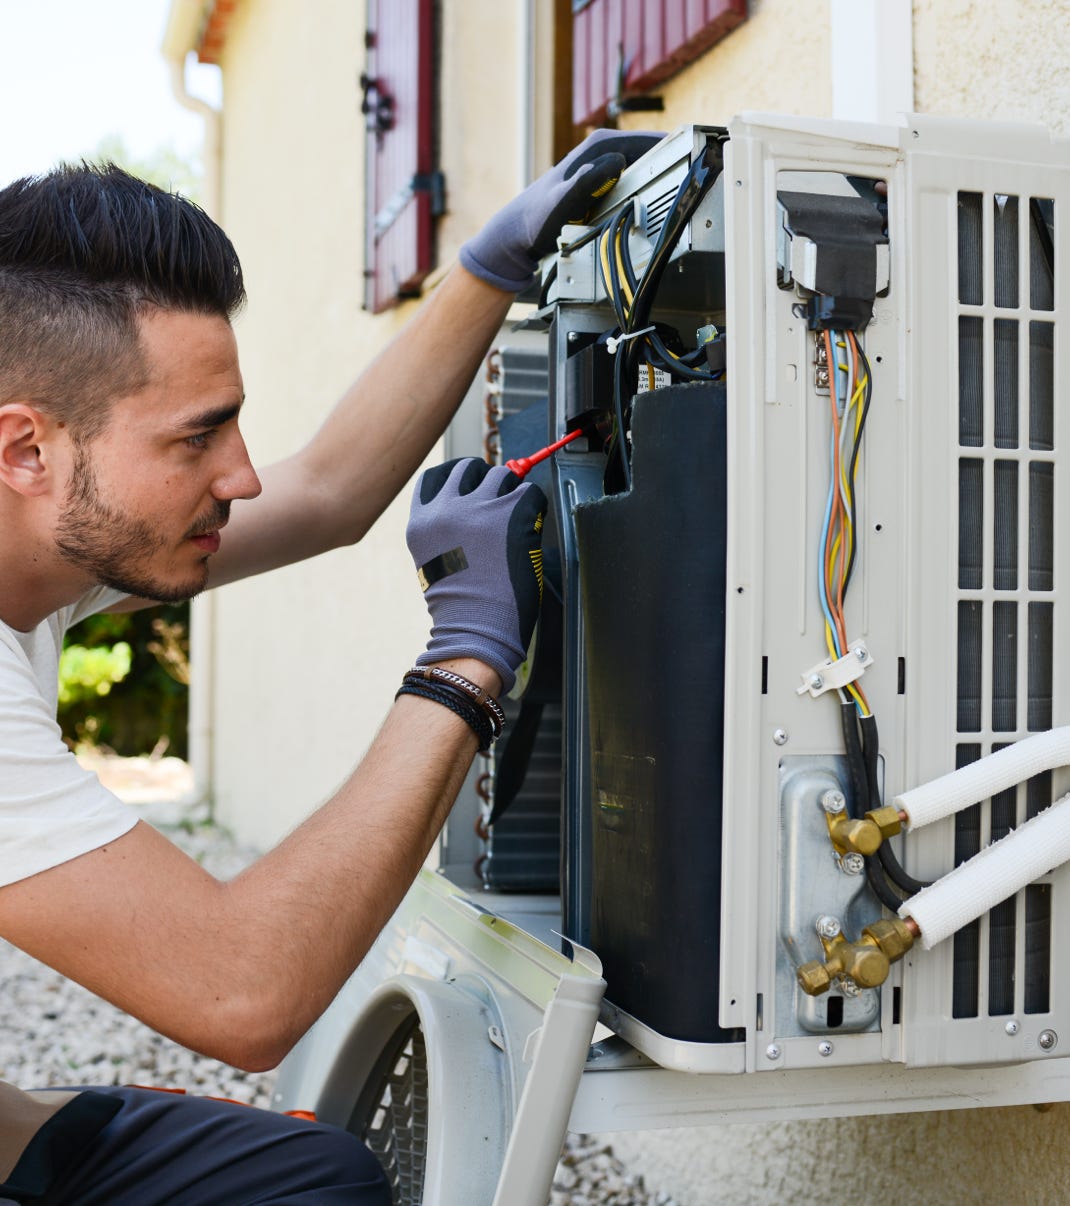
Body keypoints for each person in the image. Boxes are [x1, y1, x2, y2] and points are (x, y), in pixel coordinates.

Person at [0, 129, 658, 1204]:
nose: (242, 476)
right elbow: (244, 992)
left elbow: (330, 491)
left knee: (314, 1175)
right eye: (195, 439)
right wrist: (464, 658)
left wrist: (486, 271)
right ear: (28, 450)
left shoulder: (42, 546)